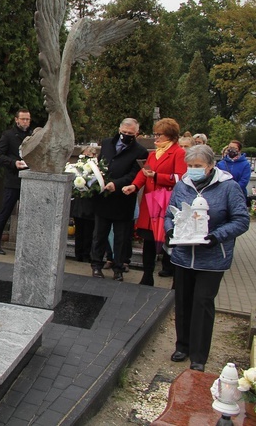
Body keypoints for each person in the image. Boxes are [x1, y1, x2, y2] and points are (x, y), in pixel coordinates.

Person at [166, 144, 249, 372]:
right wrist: (170, 230)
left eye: (198, 166)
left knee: (202, 302)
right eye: (190, 166)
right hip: (183, 255)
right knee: (183, 301)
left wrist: (216, 236)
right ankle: (182, 345)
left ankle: (199, 355)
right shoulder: (183, 184)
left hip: (212, 257)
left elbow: (241, 220)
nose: (193, 170)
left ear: (211, 166)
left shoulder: (228, 187)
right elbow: (170, 212)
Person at [122, 118, 187, 286]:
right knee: (149, 241)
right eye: (156, 134)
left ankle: (173, 277)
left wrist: (158, 177)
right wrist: (134, 186)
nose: (156, 138)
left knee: (168, 240)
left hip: (166, 203)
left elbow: (180, 177)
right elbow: (144, 173)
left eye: (160, 135)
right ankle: (147, 275)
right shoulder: (153, 153)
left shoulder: (179, 153)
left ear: (170, 136)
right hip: (150, 202)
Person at [91, 118, 149, 281]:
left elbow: (134, 174)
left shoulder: (140, 151)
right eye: (124, 133)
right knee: (99, 235)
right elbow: (100, 164)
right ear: (119, 129)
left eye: (130, 134)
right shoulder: (108, 143)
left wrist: (115, 184)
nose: (126, 136)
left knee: (121, 238)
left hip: (123, 199)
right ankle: (96, 265)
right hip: (104, 198)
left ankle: (118, 268)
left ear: (136, 133)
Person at [0, 109, 31, 255]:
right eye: (23, 119)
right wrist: (14, 163)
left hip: (29, 180)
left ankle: (28, 245)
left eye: (28, 119)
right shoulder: (8, 135)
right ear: (16, 120)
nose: (26, 122)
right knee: (5, 211)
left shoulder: (32, 136)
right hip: (13, 180)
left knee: (30, 214)